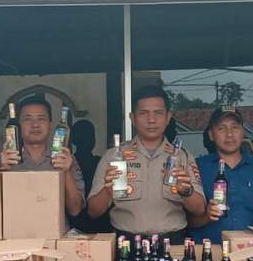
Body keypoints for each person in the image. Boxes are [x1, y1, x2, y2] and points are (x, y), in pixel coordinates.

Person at [88, 85, 206, 243]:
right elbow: (93, 212)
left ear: (168, 117)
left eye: (158, 113)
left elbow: (200, 210)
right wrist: (108, 191)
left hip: (172, 244)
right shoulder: (113, 156)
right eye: (143, 113)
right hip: (126, 244)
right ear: (132, 118)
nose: (151, 120)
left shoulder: (183, 157)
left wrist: (186, 191)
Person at [0, 95, 85, 218]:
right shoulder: (6, 159)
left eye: (41, 118)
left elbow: (75, 209)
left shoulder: (65, 159)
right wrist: (0, 169)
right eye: (27, 119)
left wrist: (66, 172)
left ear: (50, 125)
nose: (35, 125)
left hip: (54, 228)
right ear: (18, 125)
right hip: (15, 228)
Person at [189, 107, 253, 243]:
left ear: (243, 132)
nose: (229, 134)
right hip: (210, 250)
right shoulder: (197, 167)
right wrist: (207, 216)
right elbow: (187, 221)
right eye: (222, 128)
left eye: (235, 127)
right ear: (211, 135)